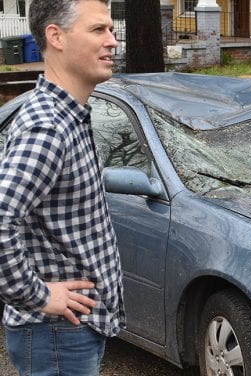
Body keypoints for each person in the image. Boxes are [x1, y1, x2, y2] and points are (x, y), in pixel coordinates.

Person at [0, 0, 124, 374]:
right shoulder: (48, 128)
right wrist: (37, 296)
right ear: (56, 36)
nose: (113, 41)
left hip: (72, 332)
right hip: (56, 335)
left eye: (111, 29)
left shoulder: (67, 117)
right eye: (98, 30)